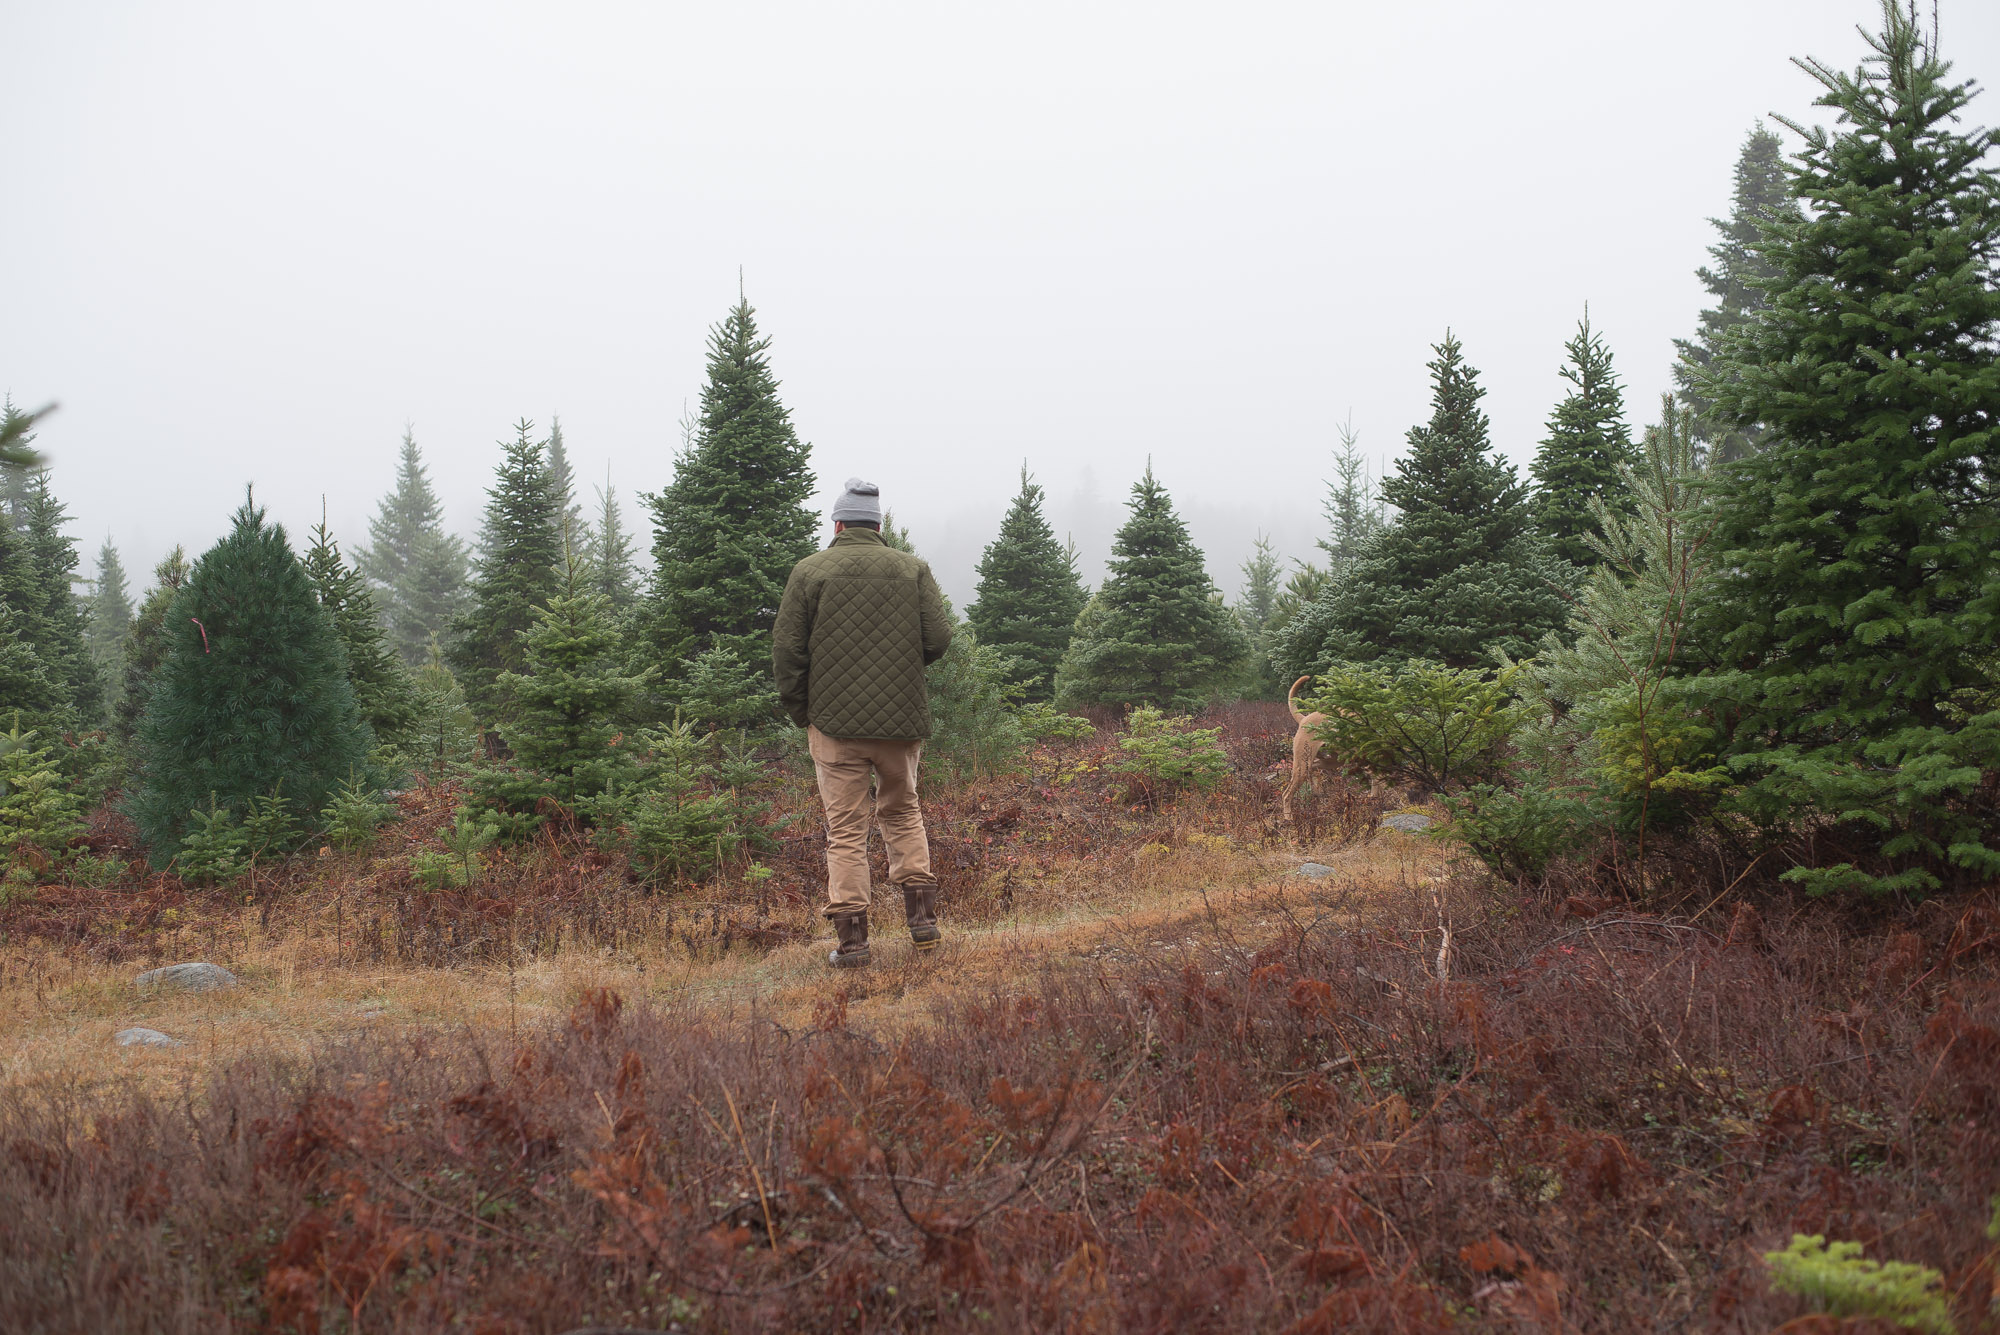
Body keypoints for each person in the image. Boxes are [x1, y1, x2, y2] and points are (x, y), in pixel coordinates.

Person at [772, 478, 952, 967]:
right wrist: (897, 671)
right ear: (878, 525)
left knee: (846, 831)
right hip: (902, 723)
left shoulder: (810, 571)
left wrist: (802, 712)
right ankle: (922, 924)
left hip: (833, 727)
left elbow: (788, 652)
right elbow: (937, 639)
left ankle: (853, 946)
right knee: (903, 812)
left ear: (837, 524)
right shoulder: (911, 569)